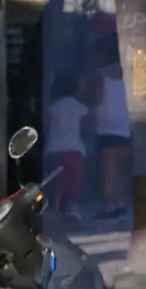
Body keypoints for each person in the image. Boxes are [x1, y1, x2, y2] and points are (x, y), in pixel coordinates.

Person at [86, 36, 131, 221]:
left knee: (108, 171)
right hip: (125, 127)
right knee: (121, 171)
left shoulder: (100, 75)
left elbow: (97, 100)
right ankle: (120, 203)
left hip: (106, 127)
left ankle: (109, 206)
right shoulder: (128, 76)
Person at [44, 73, 90, 224]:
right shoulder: (81, 108)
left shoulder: (53, 108)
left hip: (54, 149)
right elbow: (85, 128)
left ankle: (55, 211)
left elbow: (47, 127)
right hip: (75, 149)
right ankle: (73, 210)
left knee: (57, 183)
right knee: (75, 181)